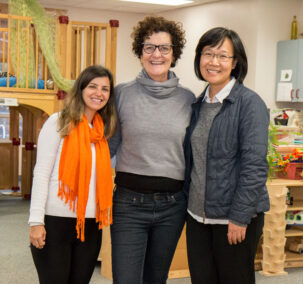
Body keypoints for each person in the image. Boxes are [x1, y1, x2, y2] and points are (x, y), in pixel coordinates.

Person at [108, 16, 195, 284]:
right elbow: (108, 146)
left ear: (174, 53)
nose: (156, 54)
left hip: (172, 206)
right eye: (149, 47)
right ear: (140, 51)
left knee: (156, 279)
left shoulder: (188, 100)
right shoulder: (122, 94)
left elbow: (192, 154)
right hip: (128, 204)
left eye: (164, 48)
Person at [183, 27, 270, 284]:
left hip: (233, 219)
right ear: (199, 58)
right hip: (198, 217)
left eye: (222, 56)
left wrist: (239, 217)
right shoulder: (199, 104)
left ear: (235, 63)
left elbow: (254, 166)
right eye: (208, 54)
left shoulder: (249, 103)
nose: (214, 62)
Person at [28, 65, 117, 284]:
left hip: (90, 224)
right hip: (56, 222)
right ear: (80, 89)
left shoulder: (100, 132)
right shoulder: (59, 121)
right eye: (93, 86)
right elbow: (41, 173)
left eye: (105, 89)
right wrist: (36, 222)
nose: (99, 93)